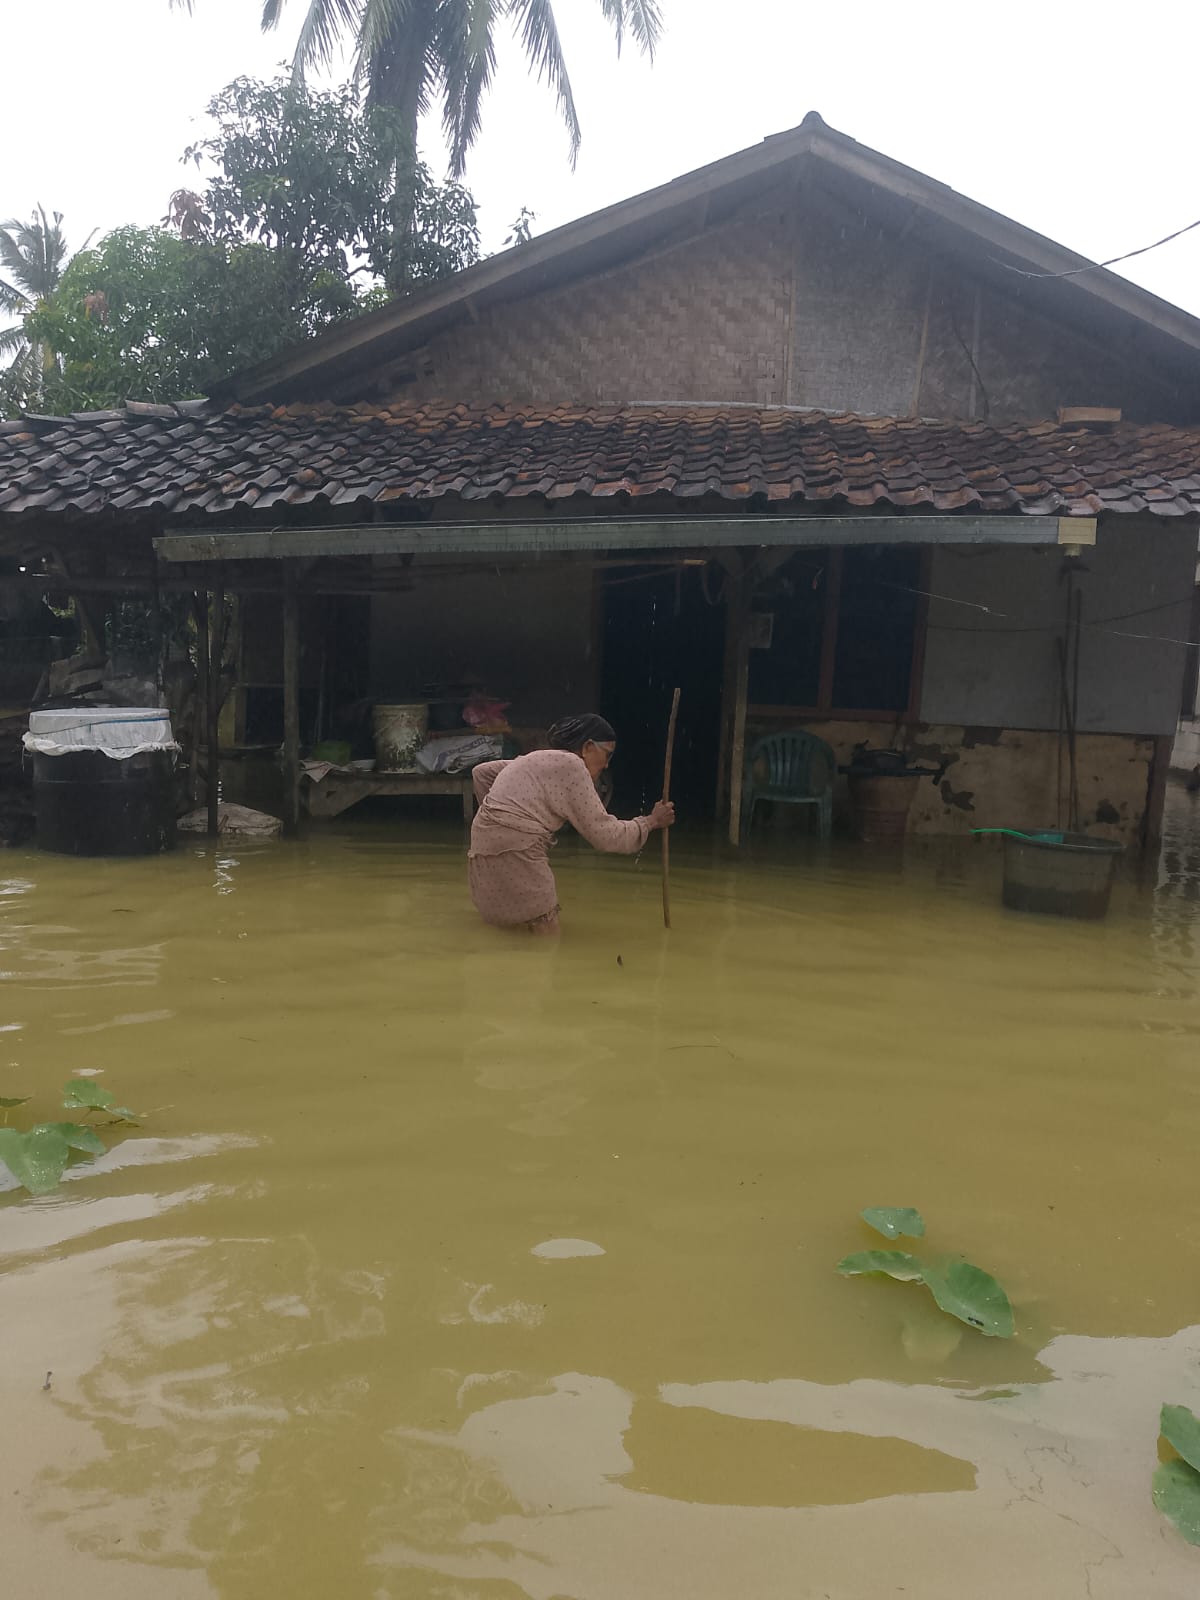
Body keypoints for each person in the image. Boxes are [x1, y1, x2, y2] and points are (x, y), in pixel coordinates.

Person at [468, 714, 675, 934]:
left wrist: (496, 823)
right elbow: (605, 835)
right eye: (607, 754)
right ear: (587, 747)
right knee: (546, 931)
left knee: (509, 932)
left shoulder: (538, 758)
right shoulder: (573, 765)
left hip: (481, 848)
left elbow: (481, 773)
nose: (606, 764)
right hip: (518, 849)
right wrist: (651, 821)